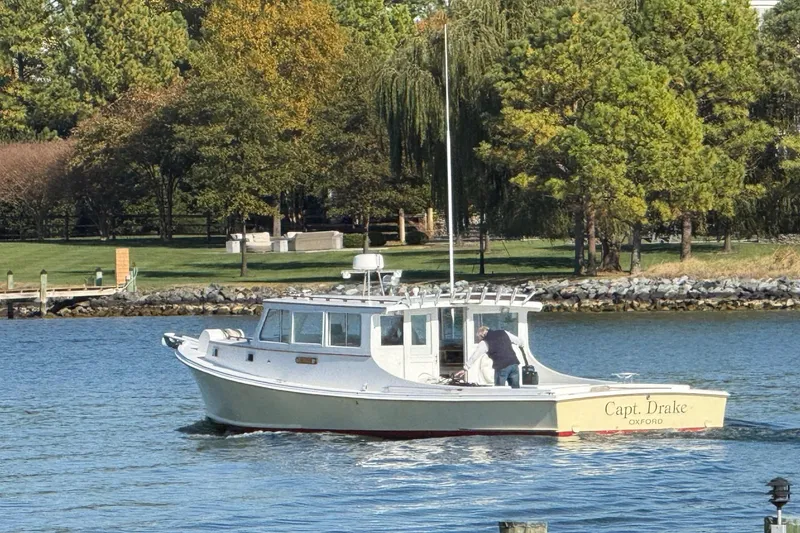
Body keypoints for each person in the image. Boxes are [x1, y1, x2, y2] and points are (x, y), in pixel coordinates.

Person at [456, 325, 525, 388]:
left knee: (500, 391)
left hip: (502, 367)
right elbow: (519, 341)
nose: (480, 339)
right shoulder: (504, 332)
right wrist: (521, 345)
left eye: (479, 337)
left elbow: (475, 356)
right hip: (514, 364)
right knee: (516, 390)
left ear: (482, 335)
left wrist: (465, 368)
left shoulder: (485, 342)